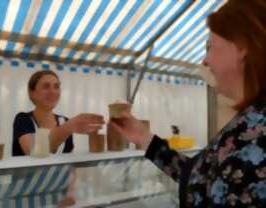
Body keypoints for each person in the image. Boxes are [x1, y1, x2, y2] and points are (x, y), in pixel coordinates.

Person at [110, 0, 266, 207]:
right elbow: (199, 177)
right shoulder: (248, 119)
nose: (204, 61)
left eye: (210, 46)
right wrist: (143, 137)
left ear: (242, 46)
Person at [13, 70, 104, 156]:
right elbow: (34, 152)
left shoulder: (64, 121)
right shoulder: (23, 119)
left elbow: (69, 164)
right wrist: (69, 127)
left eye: (56, 87)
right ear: (31, 93)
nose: (53, 92)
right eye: (46, 86)